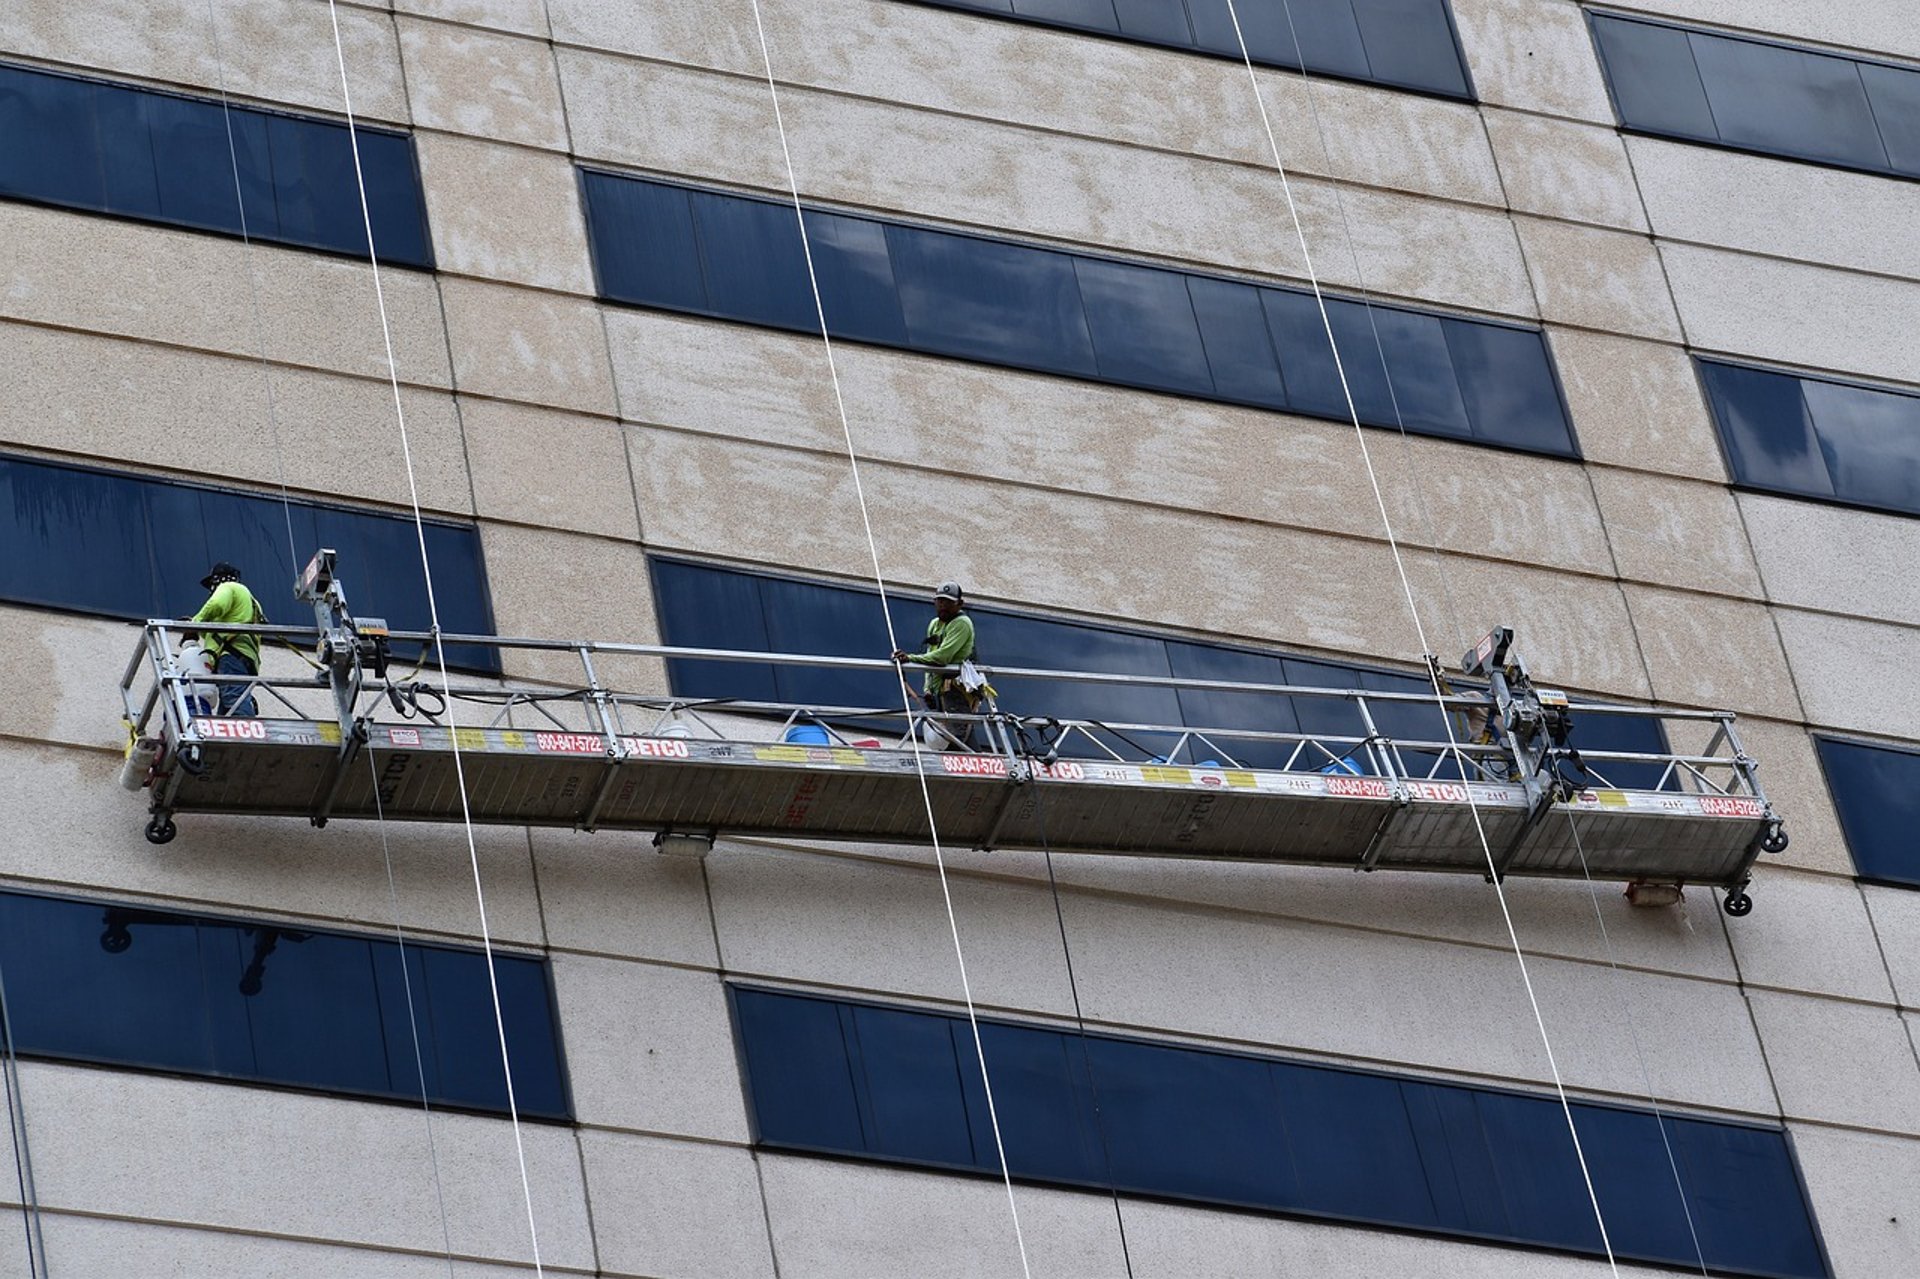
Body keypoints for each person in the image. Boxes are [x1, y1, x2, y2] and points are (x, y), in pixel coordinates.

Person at [892, 581, 981, 749]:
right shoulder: (935, 624)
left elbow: (942, 657)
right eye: (939, 601)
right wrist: (928, 688)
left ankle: (974, 767)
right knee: (945, 737)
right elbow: (930, 656)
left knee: (957, 736)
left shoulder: (962, 623)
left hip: (956, 690)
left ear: (960, 604)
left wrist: (910, 658)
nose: (943, 606)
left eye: (948, 602)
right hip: (939, 692)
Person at [190, 562, 265, 717]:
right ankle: (229, 739)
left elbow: (216, 604)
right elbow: (212, 633)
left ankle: (248, 734)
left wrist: (194, 623)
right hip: (247, 659)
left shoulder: (228, 587)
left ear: (218, 580)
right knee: (227, 713)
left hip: (231, 655)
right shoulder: (252, 602)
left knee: (234, 698)